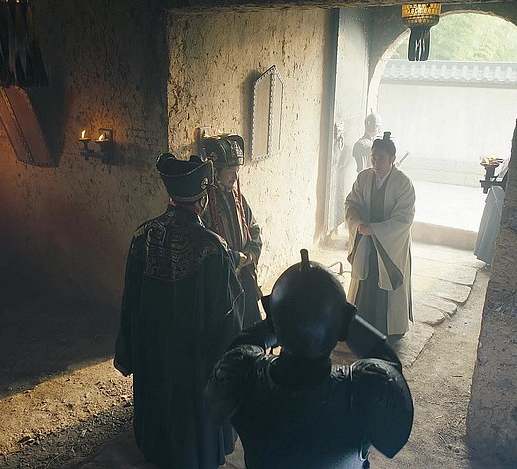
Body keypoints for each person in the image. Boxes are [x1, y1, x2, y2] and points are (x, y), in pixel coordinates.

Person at [205, 250, 414, 469]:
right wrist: (342, 319)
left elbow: (241, 345)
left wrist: (279, 317)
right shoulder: (365, 389)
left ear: (272, 318)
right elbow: (389, 369)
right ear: (344, 322)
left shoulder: (243, 372)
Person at [113, 153, 244, 469]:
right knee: (192, 409)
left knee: (158, 395)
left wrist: (129, 350)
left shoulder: (142, 236)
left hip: (153, 349)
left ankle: (157, 449)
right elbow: (226, 316)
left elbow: (130, 303)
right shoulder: (212, 247)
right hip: (193, 358)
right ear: (202, 199)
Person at [345, 131, 415, 343]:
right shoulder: (363, 178)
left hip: (391, 245)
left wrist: (376, 229)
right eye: (373, 158)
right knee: (365, 280)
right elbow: (352, 204)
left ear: (393, 159)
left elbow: (404, 218)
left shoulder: (403, 183)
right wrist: (357, 224)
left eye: (381, 159)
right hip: (366, 241)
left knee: (388, 282)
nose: (376, 164)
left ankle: (391, 329)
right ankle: (359, 325)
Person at [201, 134, 264, 327]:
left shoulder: (238, 199)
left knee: (252, 326)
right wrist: (233, 259)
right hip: (222, 282)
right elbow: (204, 243)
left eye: (237, 171)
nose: (235, 177)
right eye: (230, 171)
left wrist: (250, 254)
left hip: (245, 277)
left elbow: (254, 228)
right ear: (215, 172)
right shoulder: (204, 204)